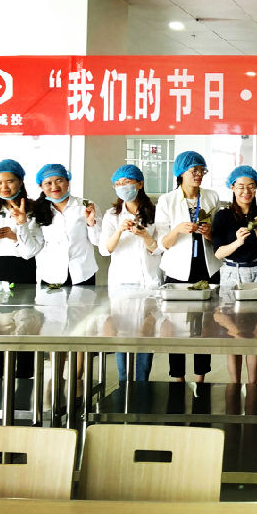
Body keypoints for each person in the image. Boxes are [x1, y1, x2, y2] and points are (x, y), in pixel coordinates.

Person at [155, 151, 222, 383]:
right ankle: (178, 377)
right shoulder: (167, 200)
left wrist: (209, 233)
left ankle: (200, 377)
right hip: (178, 270)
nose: (198, 174)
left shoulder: (212, 197)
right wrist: (177, 230)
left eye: (202, 170)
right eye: (194, 170)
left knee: (206, 324)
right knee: (175, 325)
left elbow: (218, 237)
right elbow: (162, 243)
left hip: (207, 267)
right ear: (180, 173)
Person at [99, 164, 162, 382]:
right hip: (122, 283)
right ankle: (123, 382)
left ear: (140, 184)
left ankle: (142, 383)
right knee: (122, 336)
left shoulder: (156, 212)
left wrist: (144, 236)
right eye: (118, 184)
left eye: (127, 182)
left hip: (149, 282)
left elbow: (159, 249)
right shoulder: (112, 215)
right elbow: (105, 249)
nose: (122, 187)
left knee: (146, 334)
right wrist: (119, 230)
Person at [0, 159, 41, 379]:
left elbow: (31, 251)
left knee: (25, 323)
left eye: (10, 181)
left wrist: (18, 232)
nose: (4, 187)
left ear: (20, 181)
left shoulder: (33, 210)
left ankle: (24, 377)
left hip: (21, 268)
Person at [213, 164, 257, 384]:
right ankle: (235, 384)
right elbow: (218, 253)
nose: (246, 191)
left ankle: (253, 384)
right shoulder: (223, 216)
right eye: (241, 186)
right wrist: (237, 242)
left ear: (256, 188)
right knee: (234, 333)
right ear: (232, 187)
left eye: (251, 186)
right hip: (232, 273)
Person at [31, 163, 101, 286]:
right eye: (48, 183)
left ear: (67, 182)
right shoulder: (37, 210)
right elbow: (35, 245)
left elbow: (98, 241)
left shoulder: (86, 205)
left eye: (59, 180)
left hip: (82, 273)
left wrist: (91, 223)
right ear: (41, 186)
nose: (54, 186)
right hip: (51, 274)